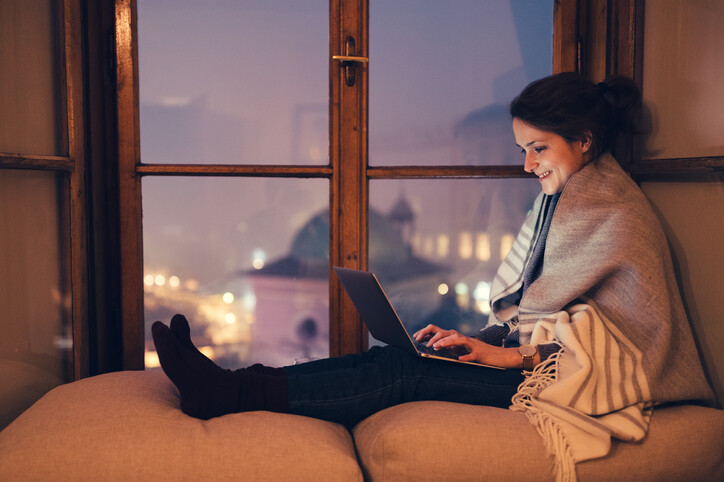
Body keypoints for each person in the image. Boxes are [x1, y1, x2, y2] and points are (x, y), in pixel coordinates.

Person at [152, 72, 713, 480]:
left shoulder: (614, 214)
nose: (527, 164)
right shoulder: (570, 201)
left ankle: (228, 392)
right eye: (523, 149)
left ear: (585, 141)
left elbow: (627, 346)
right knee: (388, 355)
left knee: (403, 372)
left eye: (538, 148)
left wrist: (512, 357)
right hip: (547, 366)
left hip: (579, 386)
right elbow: (551, 314)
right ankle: (234, 380)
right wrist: (482, 343)